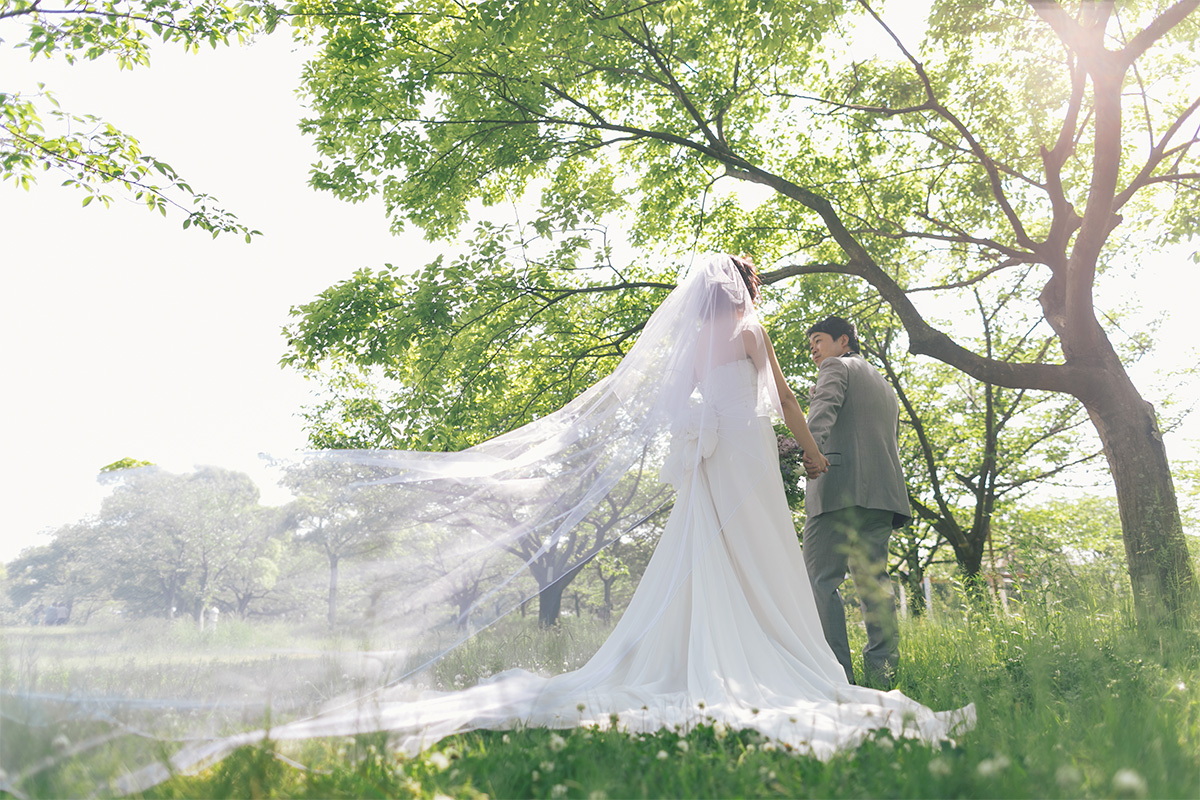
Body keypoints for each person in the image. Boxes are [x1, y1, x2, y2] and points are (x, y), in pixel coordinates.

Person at [117, 255, 971, 792]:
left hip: (712, 462)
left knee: (709, 557)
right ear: (743, 290)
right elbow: (783, 397)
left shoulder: (696, 341)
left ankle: (718, 653)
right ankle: (786, 663)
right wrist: (808, 456)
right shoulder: (753, 327)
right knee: (765, 560)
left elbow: (682, 410)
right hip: (744, 457)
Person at [802, 316, 909, 688]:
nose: (813, 349)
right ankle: (883, 675)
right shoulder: (883, 384)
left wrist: (807, 452)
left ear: (843, 340)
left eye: (818, 340)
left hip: (836, 488)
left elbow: (823, 411)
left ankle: (837, 679)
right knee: (874, 583)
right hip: (882, 494)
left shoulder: (836, 367)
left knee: (820, 581)